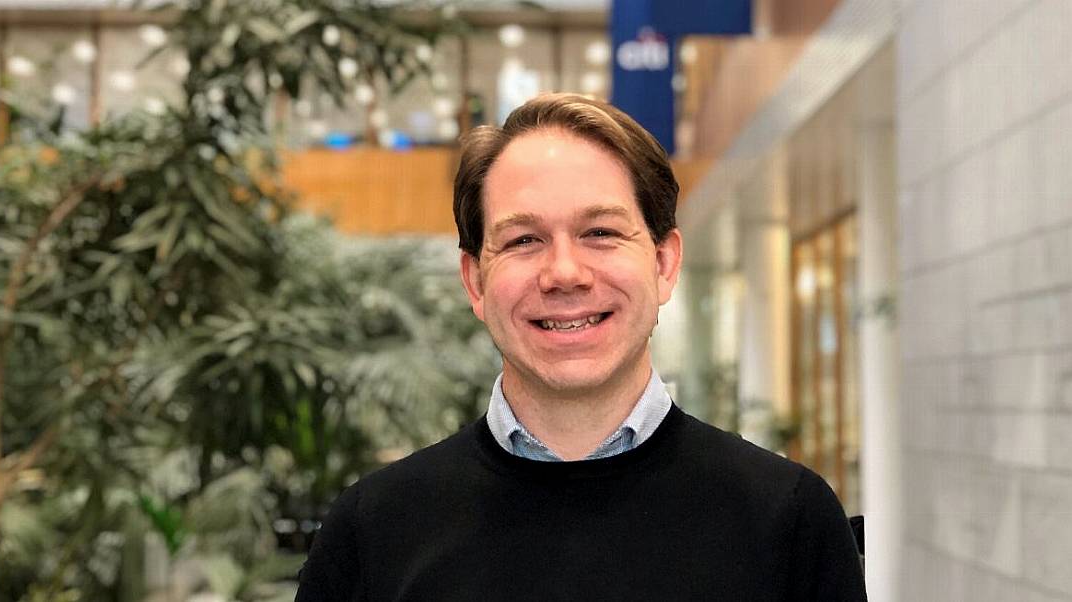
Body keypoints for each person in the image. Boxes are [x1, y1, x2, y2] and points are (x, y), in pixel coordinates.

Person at [295, 93, 867, 600]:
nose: (564, 272)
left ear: (664, 264)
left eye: (600, 233)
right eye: (524, 240)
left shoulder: (791, 521)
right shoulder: (372, 532)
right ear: (475, 282)